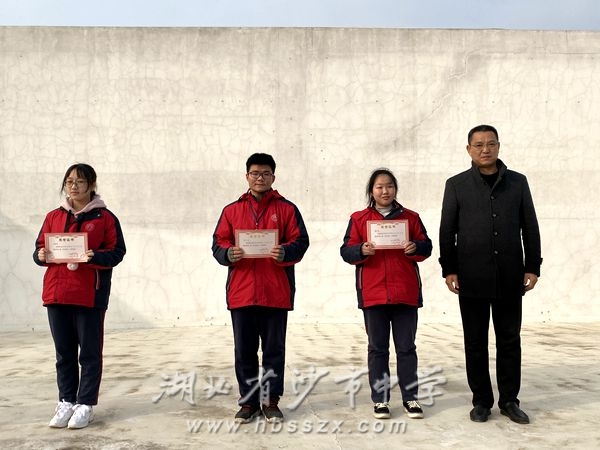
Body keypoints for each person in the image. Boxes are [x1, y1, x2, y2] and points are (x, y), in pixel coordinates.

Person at [439, 124, 542, 424]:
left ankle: (509, 400)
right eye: (479, 144)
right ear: (469, 149)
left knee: (509, 339)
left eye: (491, 143)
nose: (485, 149)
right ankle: (481, 401)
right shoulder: (456, 185)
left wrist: (532, 266)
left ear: (498, 146)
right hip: (471, 276)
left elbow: (530, 226)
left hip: (510, 275)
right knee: (475, 341)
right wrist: (449, 269)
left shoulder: (518, 182)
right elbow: (447, 230)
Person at [212, 153, 309, 424]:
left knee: (273, 350)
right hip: (242, 292)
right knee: (244, 350)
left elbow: (301, 241)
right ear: (247, 176)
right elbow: (218, 242)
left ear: (273, 177)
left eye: (266, 173)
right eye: (255, 173)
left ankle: (270, 401)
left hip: (275, 292)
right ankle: (248, 401)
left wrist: (285, 251)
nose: (260, 178)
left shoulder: (287, 209)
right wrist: (228, 253)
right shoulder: (231, 210)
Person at [33, 163, 126, 429]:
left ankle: (85, 404)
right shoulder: (53, 216)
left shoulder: (105, 218)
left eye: (80, 181)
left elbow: (117, 252)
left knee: (89, 354)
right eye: (69, 181)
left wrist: (94, 257)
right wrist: (40, 255)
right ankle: (66, 401)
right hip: (57, 293)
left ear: (91, 185)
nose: (74, 186)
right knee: (63, 354)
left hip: (89, 295)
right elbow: (40, 247)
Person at [340, 168, 432, 420]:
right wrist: (361, 250)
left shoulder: (411, 218)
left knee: (406, 348)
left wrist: (415, 247)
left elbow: (426, 247)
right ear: (371, 191)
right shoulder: (359, 219)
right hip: (373, 293)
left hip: (405, 293)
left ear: (395, 189)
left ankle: (410, 398)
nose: (385, 191)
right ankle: (380, 400)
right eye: (379, 187)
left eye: (389, 186)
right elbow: (346, 251)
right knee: (377, 349)